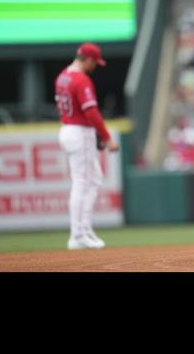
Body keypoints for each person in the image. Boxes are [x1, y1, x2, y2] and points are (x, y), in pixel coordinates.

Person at [54, 43, 119, 250]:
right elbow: (91, 112)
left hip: (69, 127)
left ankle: (84, 229)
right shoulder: (81, 80)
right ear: (89, 60)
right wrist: (107, 137)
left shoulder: (63, 76)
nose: (95, 66)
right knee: (82, 182)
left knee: (93, 179)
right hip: (79, 131)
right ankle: (77, 234)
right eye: (95, 62)